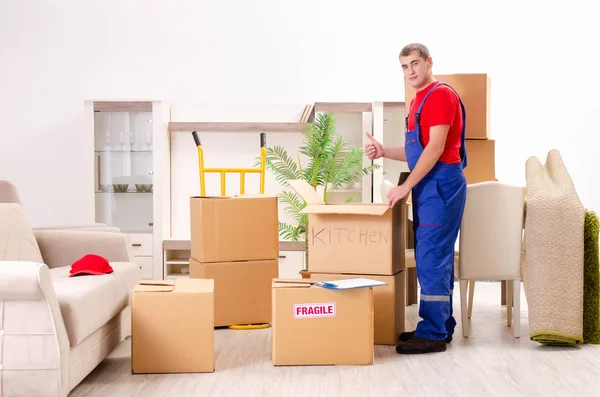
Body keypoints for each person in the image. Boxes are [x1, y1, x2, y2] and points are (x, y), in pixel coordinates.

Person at [365, 43, 468, 354]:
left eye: (414, 64)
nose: (410, 71)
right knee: (433, 257)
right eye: (404, 66)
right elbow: (417, 152)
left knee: (431, 258)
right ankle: (439, 326)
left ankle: (434, 333)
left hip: (441, 184)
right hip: (429, 185)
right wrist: (385, 151)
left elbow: (435, 149)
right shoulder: (417, 101)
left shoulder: (440, 95)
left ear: (428, 63)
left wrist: (405, 186)